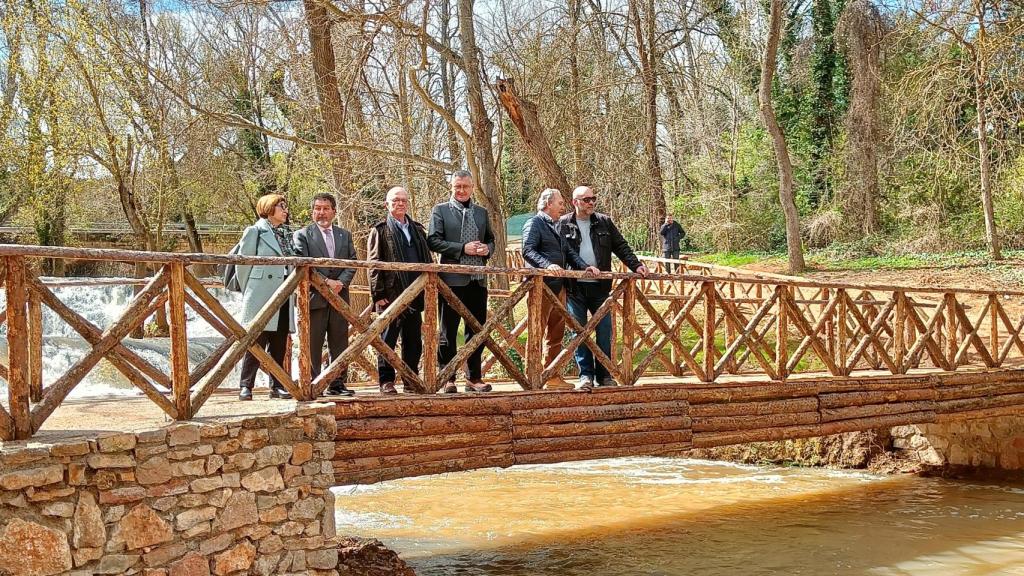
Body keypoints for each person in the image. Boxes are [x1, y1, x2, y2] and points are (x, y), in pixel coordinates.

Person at [560, 186, 648, 389]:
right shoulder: (563, 223)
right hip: (574, 288)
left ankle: (605, 375)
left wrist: (636, 265)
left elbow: (621, 246)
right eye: (586, 199)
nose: (591, 202)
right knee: (578, 332)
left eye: (593, 199)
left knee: (604, 331)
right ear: (575, 202)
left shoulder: (604, 222)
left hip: (600, 288)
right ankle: (585, 376)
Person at [523, 188, 599, 389]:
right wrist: (547, 265)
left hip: (559, 287)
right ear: (548, 204)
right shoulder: (535, 223)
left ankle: (551, 375)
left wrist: (584, 266)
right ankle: (531, 377)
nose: (563, 207)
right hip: (540, 287)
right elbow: (528, 250)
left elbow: (569, 252)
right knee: (536, 331)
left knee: (556, 333)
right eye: (560, 203)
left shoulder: (557, 225)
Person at [427, 170, 495, 393]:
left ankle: (474, 377)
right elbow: (433, 241)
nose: (461, 190)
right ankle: (447, 377)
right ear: (452, 187)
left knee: (476, 330)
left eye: (465, 186)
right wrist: (462, 248)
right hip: (452, 280)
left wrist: (487, 249)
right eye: (457, 186)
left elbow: (491, 240)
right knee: (448, 330)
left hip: (478, 279)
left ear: (472, 187)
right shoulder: (441, 210)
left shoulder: (481, 212)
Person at [368, 187, 433, 395]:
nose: (400, 203)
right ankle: (386, 381)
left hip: (415, 293)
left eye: (404, 200)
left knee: (413, 341)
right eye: (396, 200)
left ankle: (410, 379)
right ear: (387, 204)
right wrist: (378, 295)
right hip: (391, 295)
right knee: (387, 340)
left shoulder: (417, 229)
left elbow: (427, 260)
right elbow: (374, 264)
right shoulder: (380, 230)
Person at [293, 192, 357, 397]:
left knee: (339, 342)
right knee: (313, 343)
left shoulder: (344, 235)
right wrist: (326, 283)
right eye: (318, 208)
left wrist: (341, 283)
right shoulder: (302, 235)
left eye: (326, 208)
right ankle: (313, 385)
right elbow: (303, 265)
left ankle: (337, 384)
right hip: (314, 298)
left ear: (334, 211)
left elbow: (352, 262)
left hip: (340, 297)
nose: (322, 212)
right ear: (312, 212)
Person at [235, 193, 296, 400]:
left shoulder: (287, 233)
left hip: (284, 292)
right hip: (261, 294)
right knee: (255, 341)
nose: (285, 210)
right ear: (269, 209)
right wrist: (251, 291)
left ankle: (277, 385)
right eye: (281, 206)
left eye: (285, 206)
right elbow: (243, 265)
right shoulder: (255, 231)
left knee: (279, 342)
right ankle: (246, 385)